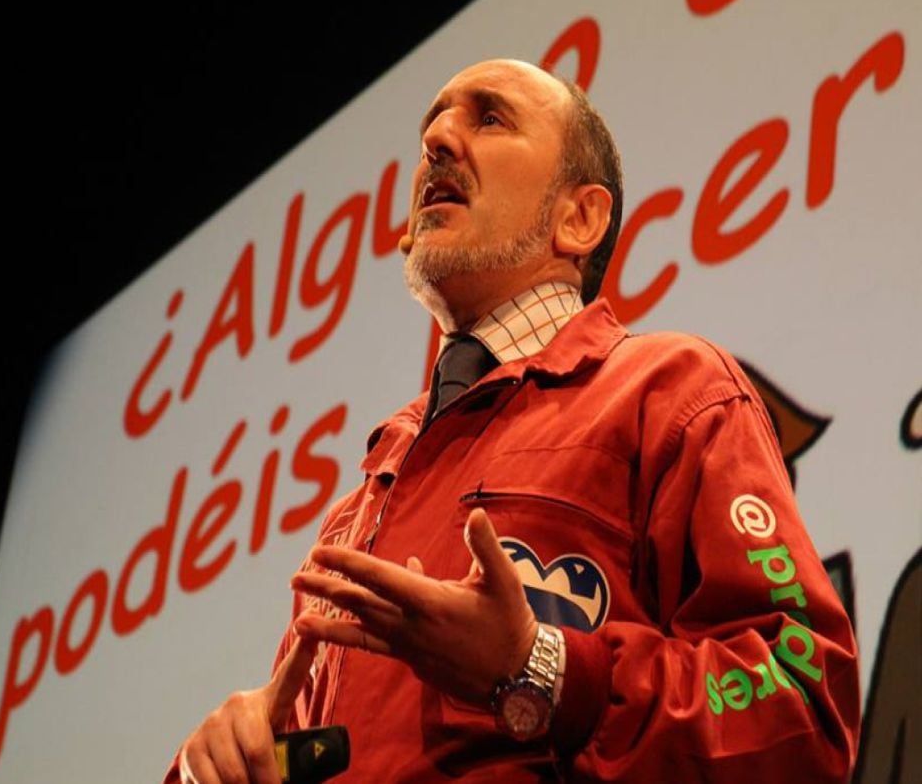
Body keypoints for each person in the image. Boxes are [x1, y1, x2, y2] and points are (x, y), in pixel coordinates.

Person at [163, 59, 860, 783]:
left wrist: (543, 668)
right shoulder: (359, 504)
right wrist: (217, 765)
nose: (436, 138)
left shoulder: (672, 390)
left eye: (489, 117)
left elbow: (803, 710)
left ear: (580, 217)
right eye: (432, 122)